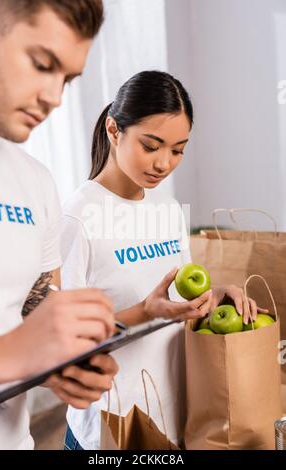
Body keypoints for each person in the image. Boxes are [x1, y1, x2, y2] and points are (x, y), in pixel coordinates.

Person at [60, 70, 267, 449]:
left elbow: (175, 298)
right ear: (113, 130)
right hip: (112, 428)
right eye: (151, 145)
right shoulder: (78, 217)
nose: (164, 163)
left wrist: (214, 296)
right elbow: (63, 344)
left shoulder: (168, 209)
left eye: (177, 150)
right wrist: (145, 311)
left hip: (173, 418)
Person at [0, 0, 119, 450]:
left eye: (67, 79)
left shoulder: (35, 181)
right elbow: (11, 350)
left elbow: (34, 307)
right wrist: (8, 356)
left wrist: (64, 360)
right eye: (43, 64)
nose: (55, 97)